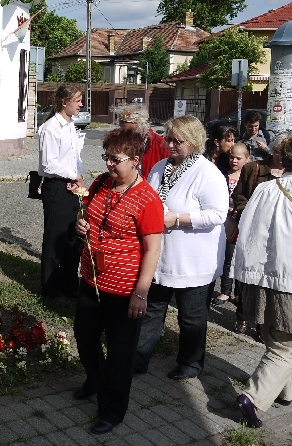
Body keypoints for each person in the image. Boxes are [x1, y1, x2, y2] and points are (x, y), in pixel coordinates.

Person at [73, 129, 163, 435]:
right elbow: (89, 216)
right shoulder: (101, 182)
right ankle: (95, 380)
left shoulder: (147, 198)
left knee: (120, 353)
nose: (109, 164)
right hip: (92, 279)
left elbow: (153, 249)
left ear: (135, 160)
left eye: (116, 159)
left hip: (124, 289)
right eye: (107, 157)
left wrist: (141, 293)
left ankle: (111, 410)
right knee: (84, 337)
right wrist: (81, 225)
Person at [134, 115, 228, 380]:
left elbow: (217, 214)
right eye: (169, 139)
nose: (170, 145)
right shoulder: (160, 167)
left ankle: (190, 363)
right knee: (152, 310)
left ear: (194, 141)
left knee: (191, 317)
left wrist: (177, 218)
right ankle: (138, 358)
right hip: (161, 256)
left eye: (178, 141)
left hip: (193, 260)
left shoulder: (207, 173)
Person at [234, 134, 292, 429]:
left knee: (274, 335)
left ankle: (290, 390)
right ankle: (252, 398)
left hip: (259, 275)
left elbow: (247, 226)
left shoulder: (265, 188)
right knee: (291, 343)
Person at [230, 133, 289, 335]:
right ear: (272, 150)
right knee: (247, 278)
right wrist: (249, 212)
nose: (281, 156)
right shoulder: (253, 168)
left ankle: (262, 324)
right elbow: (239, 195)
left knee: (270, 280)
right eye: (278, 151)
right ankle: (242, 316)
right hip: (253, 231)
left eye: (285, 152)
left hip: (279, 235)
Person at [38, 84, 86, 301]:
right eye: (77, 100)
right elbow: (49, 164)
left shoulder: (70, 125)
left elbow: (75, 158)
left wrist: (78, 178)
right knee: (55, 238)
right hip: (56, 187)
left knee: (73, 238)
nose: (81, 104)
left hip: (71, 186)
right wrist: (72, 175)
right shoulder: (51, 128)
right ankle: (50, 288)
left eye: (81, 100)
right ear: (64, 102)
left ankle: (70, 284)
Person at [213, 142, 249, 307]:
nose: (234, 161)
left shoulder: (249, 179)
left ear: (247, 159)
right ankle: (225, 291)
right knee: (227, 257)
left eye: (238, 158)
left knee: (241, 259)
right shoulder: (222, 175)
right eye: (232, 157)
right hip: (227, 223)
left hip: (242, 222)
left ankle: (239, 293)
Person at [112, 103, 169, 178]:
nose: (125, 134)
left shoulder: (161, 145)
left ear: (143, 127)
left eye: (130, 131)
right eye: (122, 129)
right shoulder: (119, 141)